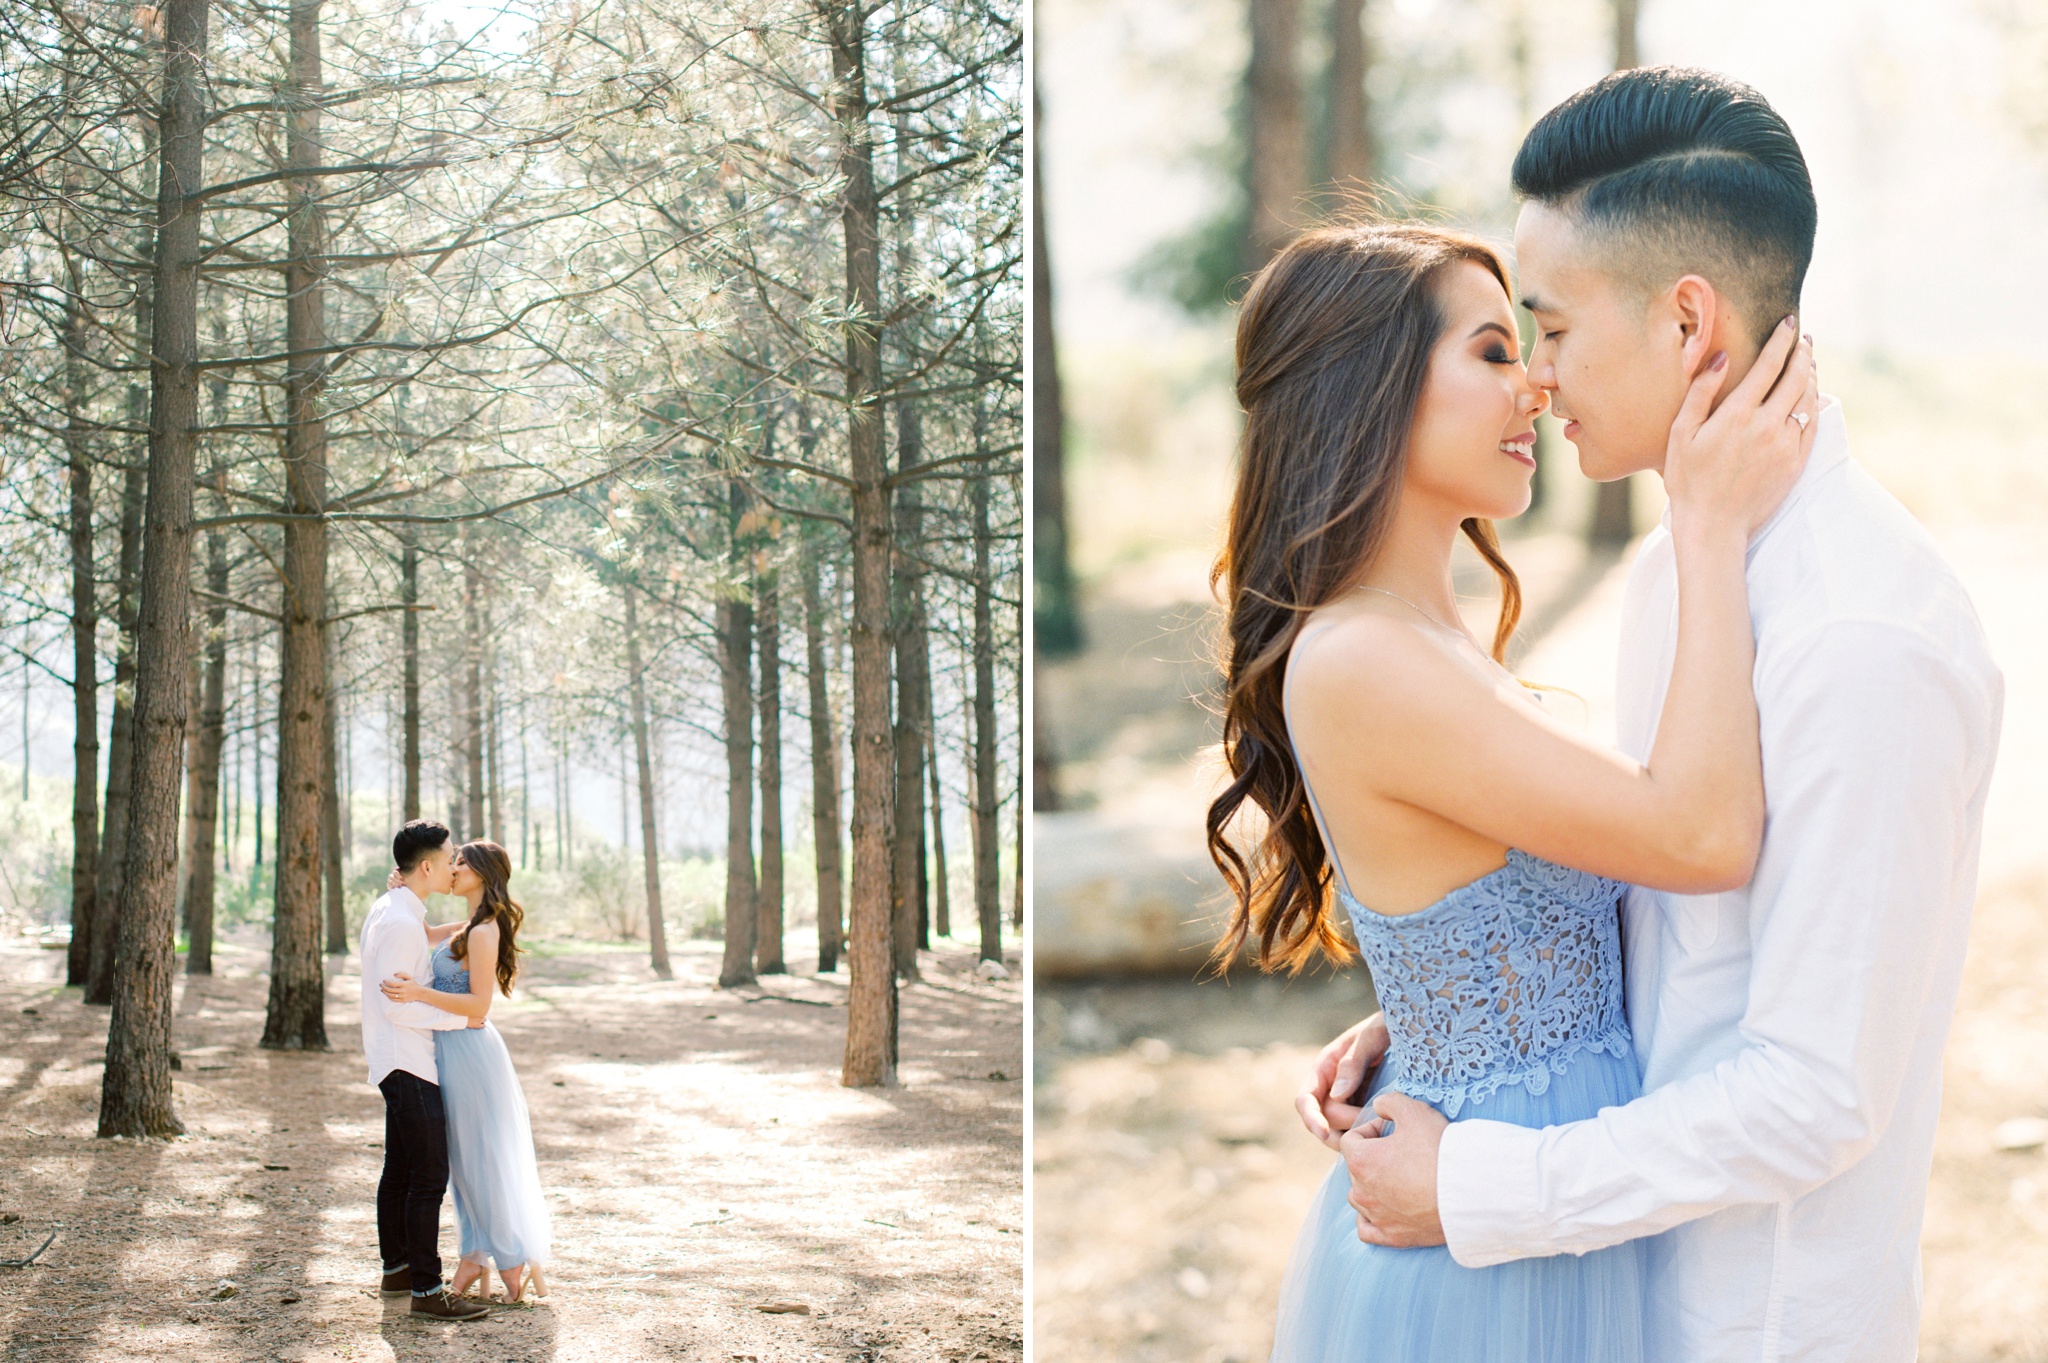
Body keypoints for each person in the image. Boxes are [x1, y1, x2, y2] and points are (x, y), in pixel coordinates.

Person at [1301, 67, 2004, 1363]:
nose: (1539, 381)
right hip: (1612, 1278)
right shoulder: (1687, 568)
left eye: (1552, 332)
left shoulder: (1865, 640)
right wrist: (1464, 1005)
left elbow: (1815, 1094)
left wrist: (1479, 1186)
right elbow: (1681, 920)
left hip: (1755, 1317)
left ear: (1689, 323)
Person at [1208, 205, 1815, 1359]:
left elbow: (1507, 898)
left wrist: (1435, 1002)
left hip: (1528, 1190)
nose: (1535, 384)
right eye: (1491, 351)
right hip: (1477, 1250)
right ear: (1364, 387)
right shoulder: (1362, 657)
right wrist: (1706, 527)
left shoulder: (1424, 642)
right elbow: (1697, 835)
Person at [382, 839, 552, 1304]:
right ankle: (475, 1254)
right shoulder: (469, 925)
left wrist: (419, 993)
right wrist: (404, 889)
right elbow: (426, 932)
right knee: (462, 1159)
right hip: (448, 1049)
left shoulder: (483, 932)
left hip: (470, 1053)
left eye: (459, 862)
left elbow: (479, 1005)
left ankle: (508, 1257)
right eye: (451, 861)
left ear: (479, 872)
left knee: (480, 1158)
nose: (452, 868)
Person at [359, 818, 489, 1321]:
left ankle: (397, 1270)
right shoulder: (397, 919)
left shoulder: (396, 909)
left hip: (399, 1056)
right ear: (428, 865)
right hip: (406, 1058)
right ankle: (427, 1291)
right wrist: (459, 1021)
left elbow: (411, 960)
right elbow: (396, 1004)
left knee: (402, 1167)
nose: (455, 863)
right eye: (450, 855)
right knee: (428, 1173)